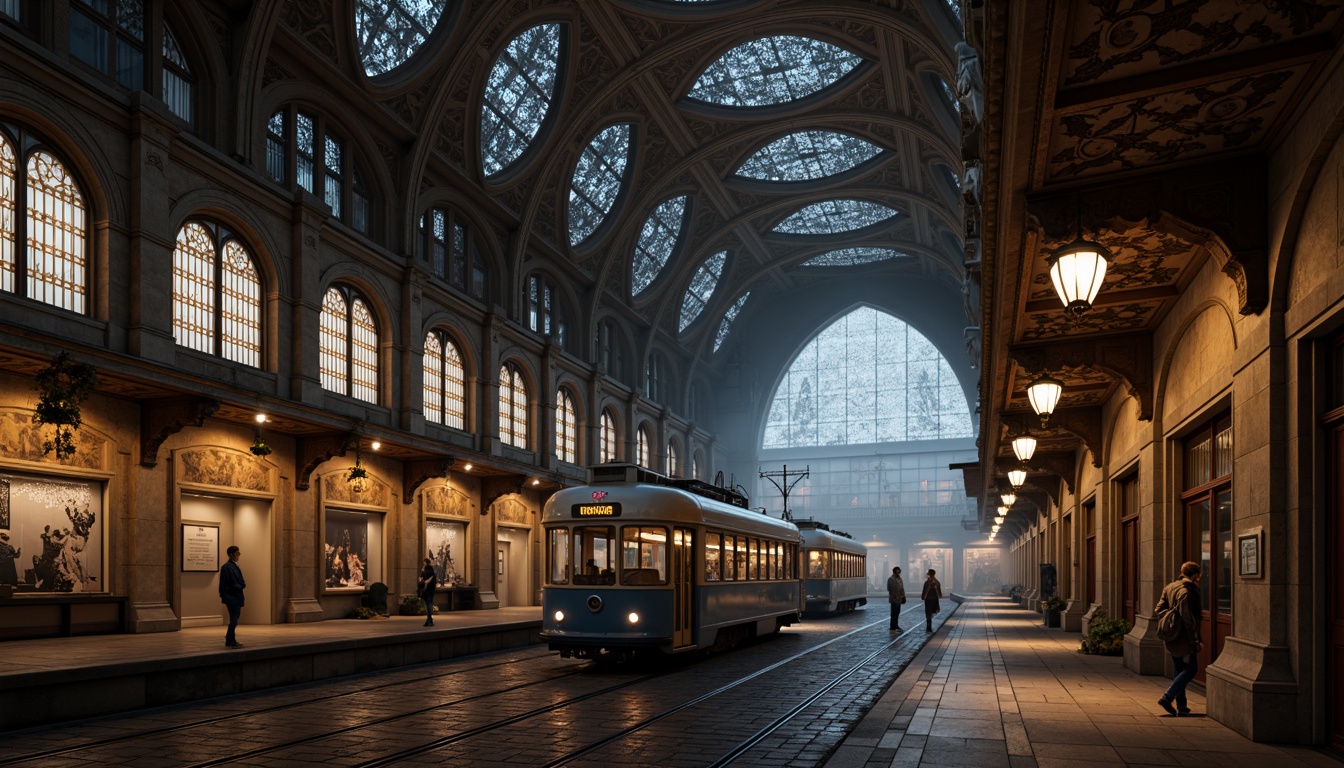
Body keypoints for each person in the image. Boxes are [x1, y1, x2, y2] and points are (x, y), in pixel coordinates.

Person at [1156, 561, 1203, 716]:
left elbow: (1159, 609)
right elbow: (1189, 620)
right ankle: (1168, 696)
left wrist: (1170, 619)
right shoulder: (1188, 591)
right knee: (1191, 669)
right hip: (1184, 637)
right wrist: (1196, 640)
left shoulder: (1170, 587)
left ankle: (1182, 706)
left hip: (1171, 635)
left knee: (1179, 669)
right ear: (1195, 575)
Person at [218, 545, 246, 648]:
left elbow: (242, 582)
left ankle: (230, 639)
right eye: (237, 553)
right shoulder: (226, 567)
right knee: (234, 619)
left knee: (234, 619)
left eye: (239, 553)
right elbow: (227, 583)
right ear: (231, 555)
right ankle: (230, 640)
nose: (238, 556)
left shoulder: (234, 567)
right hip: (232, 597)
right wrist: (238, 586)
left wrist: (240, 585)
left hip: (235, 597)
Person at [886, 566, 907, 631]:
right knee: (893, 613)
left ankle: (896, 625)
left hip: (899, 598)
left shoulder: (899, 579)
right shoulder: (891, 579)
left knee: (897, 612)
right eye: (898, 571)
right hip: (894, 598)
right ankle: (893, 626)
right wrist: (894, 595)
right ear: (895, 571)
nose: (899, 572)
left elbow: (902, 588)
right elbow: (889, 589)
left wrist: (903, 595)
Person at [419, 557, 437, 627]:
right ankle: (429, 620)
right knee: (429, 604)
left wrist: (422, 573)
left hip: (426, 591)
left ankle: (429, 620)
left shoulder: (425, 572)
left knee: (428, 605)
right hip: (431, 591)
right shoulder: (432, 572)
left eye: (424, 563)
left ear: (425, 563)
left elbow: (421, 580)